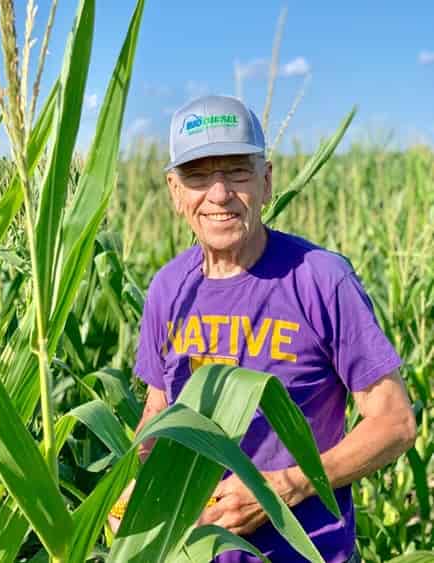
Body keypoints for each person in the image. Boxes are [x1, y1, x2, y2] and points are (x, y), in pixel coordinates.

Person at [110, 95, 416, 562]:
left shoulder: (321, 279)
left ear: (267, 180)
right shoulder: (168, 288)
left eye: (236, 171)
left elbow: (394, 422)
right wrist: (135, 487)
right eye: (197, 175)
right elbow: (158, 410)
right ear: (174, 191)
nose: (218, 194)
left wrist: (285, 487)